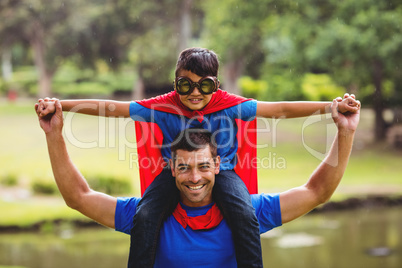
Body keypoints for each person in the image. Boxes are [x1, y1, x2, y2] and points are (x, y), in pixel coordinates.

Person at [36, 47, 360, 267]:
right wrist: (61, 106)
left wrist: (333, 111)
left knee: (245, 215)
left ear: (215, 85)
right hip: (167, 175)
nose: (194, 93)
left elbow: (281, 110)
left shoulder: (229, 104)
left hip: (229, 173)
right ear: (175, 84)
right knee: (146, 217)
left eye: (203, 86)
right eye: (185, 85)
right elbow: (113, 109)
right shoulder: (163, 106)